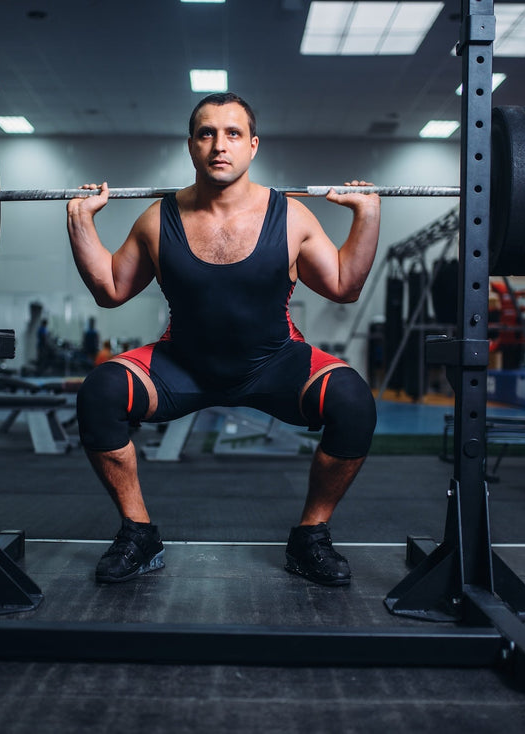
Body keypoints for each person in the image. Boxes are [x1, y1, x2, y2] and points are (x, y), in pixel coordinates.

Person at [66, 92, 380, 587]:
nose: (219, 145)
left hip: (275, 364)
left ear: (253, 145)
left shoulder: (291, 216)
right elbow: (110, 290)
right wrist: (80, 222)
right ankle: (138, 533)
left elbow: (344, 286)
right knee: (100, 392)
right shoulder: (157, 219)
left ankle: (310, 537)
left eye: (233, 134)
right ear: (191, 146)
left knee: (354, 401)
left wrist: (367, 216)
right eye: (207, 133)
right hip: (181, 366)